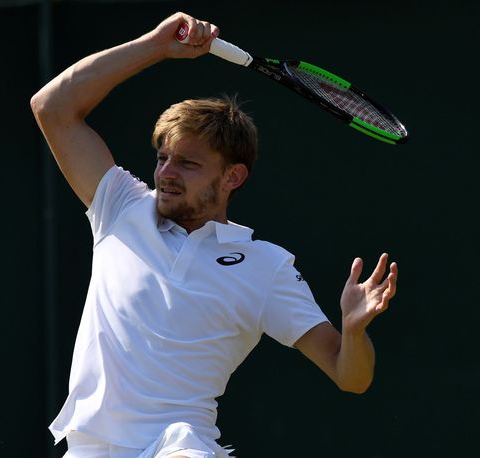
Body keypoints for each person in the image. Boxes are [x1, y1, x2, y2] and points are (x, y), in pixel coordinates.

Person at [30, 12, 398, 458]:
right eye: (163, 158)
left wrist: (354, 332)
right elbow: (52, 107)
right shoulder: (120, 207)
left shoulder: (267, 266)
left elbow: (349, 376)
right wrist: (155, 45)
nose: (166, 173)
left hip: (180, 445)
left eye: (187, 163)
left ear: (232, 177)